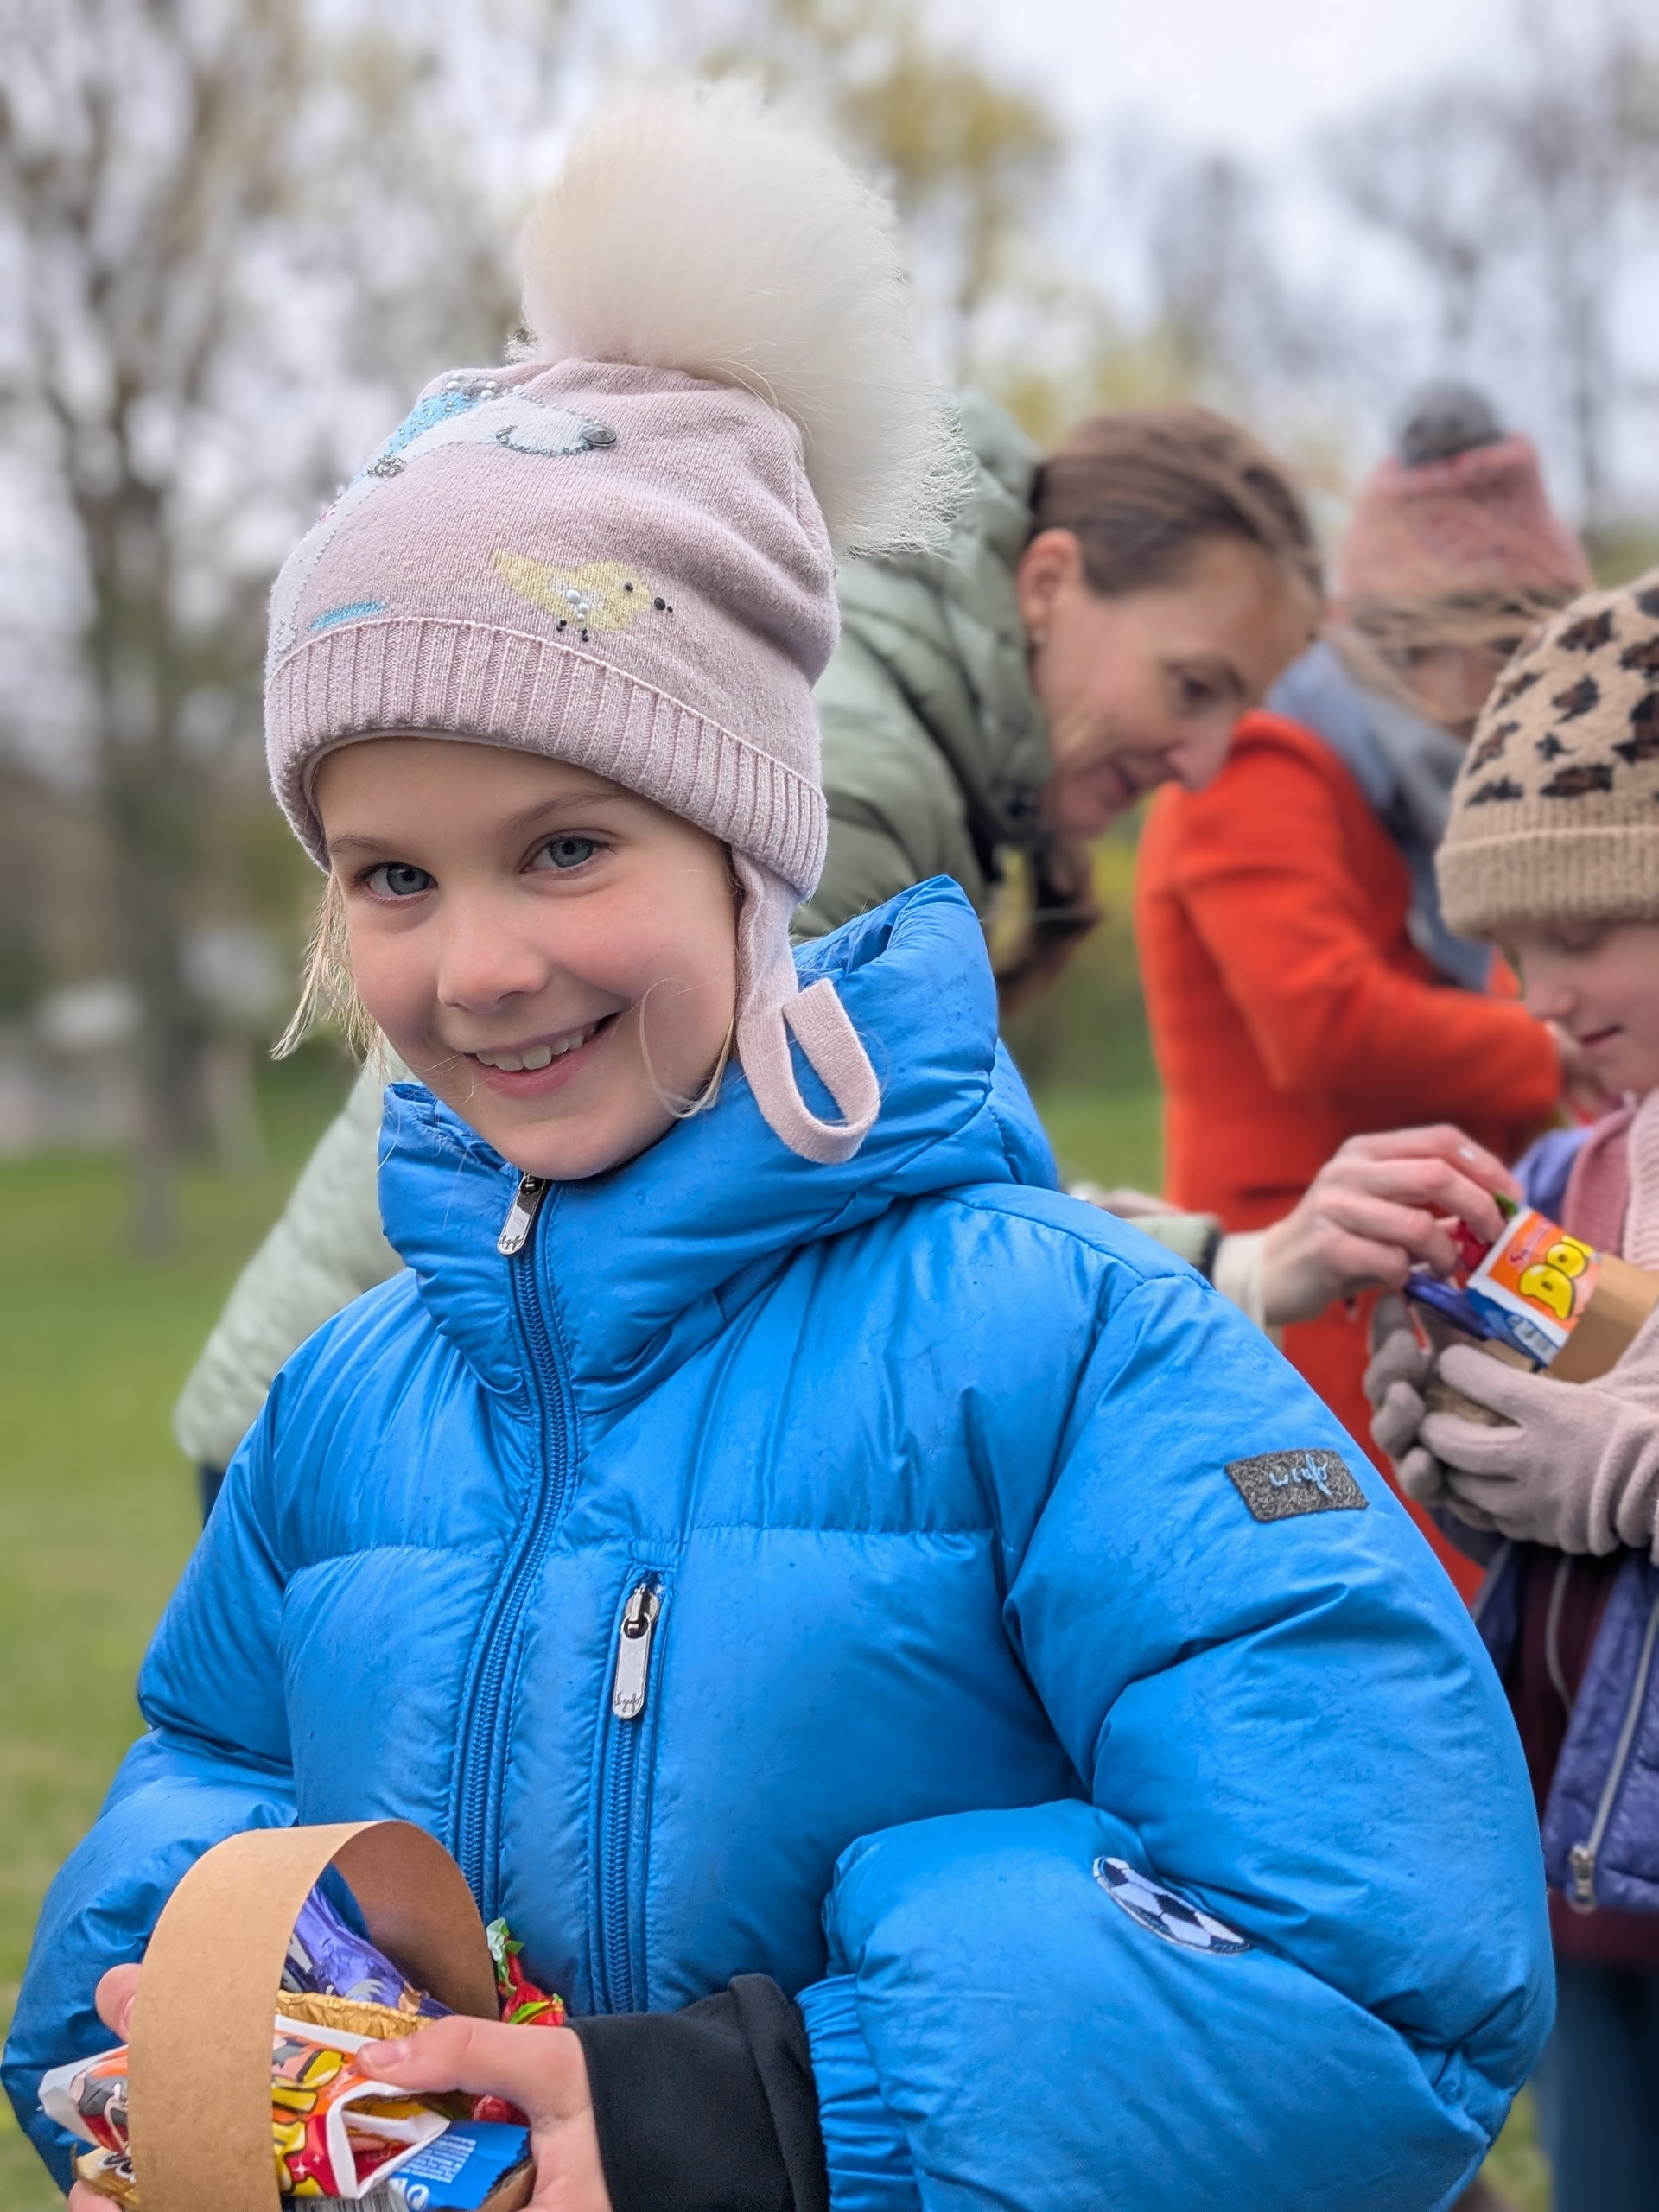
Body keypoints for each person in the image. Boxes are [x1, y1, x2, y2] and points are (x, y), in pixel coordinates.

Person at [5, 87, 1551, 2212]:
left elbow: (1384, 1967)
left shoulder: (1061, 1349)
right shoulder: (342, 1406)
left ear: (753, 852)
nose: (477, 964)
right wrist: (181, 2080)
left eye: (567, 845)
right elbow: (204, 1801)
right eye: (389, 876)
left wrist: (753, 2117)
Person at [175, 372, 1502, 1502]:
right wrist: (1240, 1261)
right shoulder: (851, 782)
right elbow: (810, 1191)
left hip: (403, 1409)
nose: (1207, 762)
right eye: (1192, 686)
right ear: (1049, 584)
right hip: (389, 1450)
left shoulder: (889, 728)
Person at [1134, 385, 1592, 1593]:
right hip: (1310, 1276)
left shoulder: (1397, 780)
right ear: (1407, 635)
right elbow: (1319, 1013)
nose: (1510, 683)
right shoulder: (1267, 760)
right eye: (1499, 643)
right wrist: (1553, 1053)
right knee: (1380, 1603)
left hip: (1420, 1259)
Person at [1364, 572, 1659, 2212]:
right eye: (1509, 948)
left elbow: (1610, 1466)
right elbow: (1541, 1475)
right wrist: (1460, 1454)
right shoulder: (1566, 1168)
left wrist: (1617, 1472)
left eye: (1584, 932)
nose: (1537, 995)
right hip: (1579, 1862)